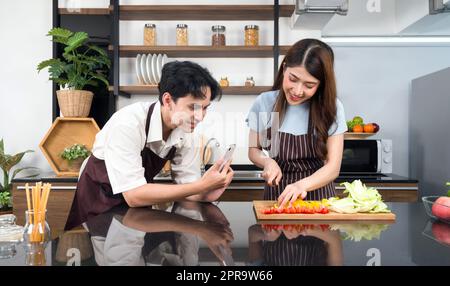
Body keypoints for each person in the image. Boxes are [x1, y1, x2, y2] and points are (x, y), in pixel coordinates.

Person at [65, 61, 234, 230]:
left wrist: (207, 193)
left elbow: (187, 186)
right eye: (193, 107)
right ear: (167, 100)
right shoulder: (127, 124)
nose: (200, 117)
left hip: (135, 212)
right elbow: (134, 195)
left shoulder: (187, 131)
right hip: (99, 205)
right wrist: (201, 186)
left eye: (205, 108)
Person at [247, 39, 346, 207]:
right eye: (293, 79)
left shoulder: (332, 107)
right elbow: (253, 150)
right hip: (277, 197)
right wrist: (267, 162)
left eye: (309, 85)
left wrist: (301, 185)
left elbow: (333, 166)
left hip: (319, 198)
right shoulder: (265, 103)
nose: (298, 91)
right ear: (284, 69)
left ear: (321, 85)